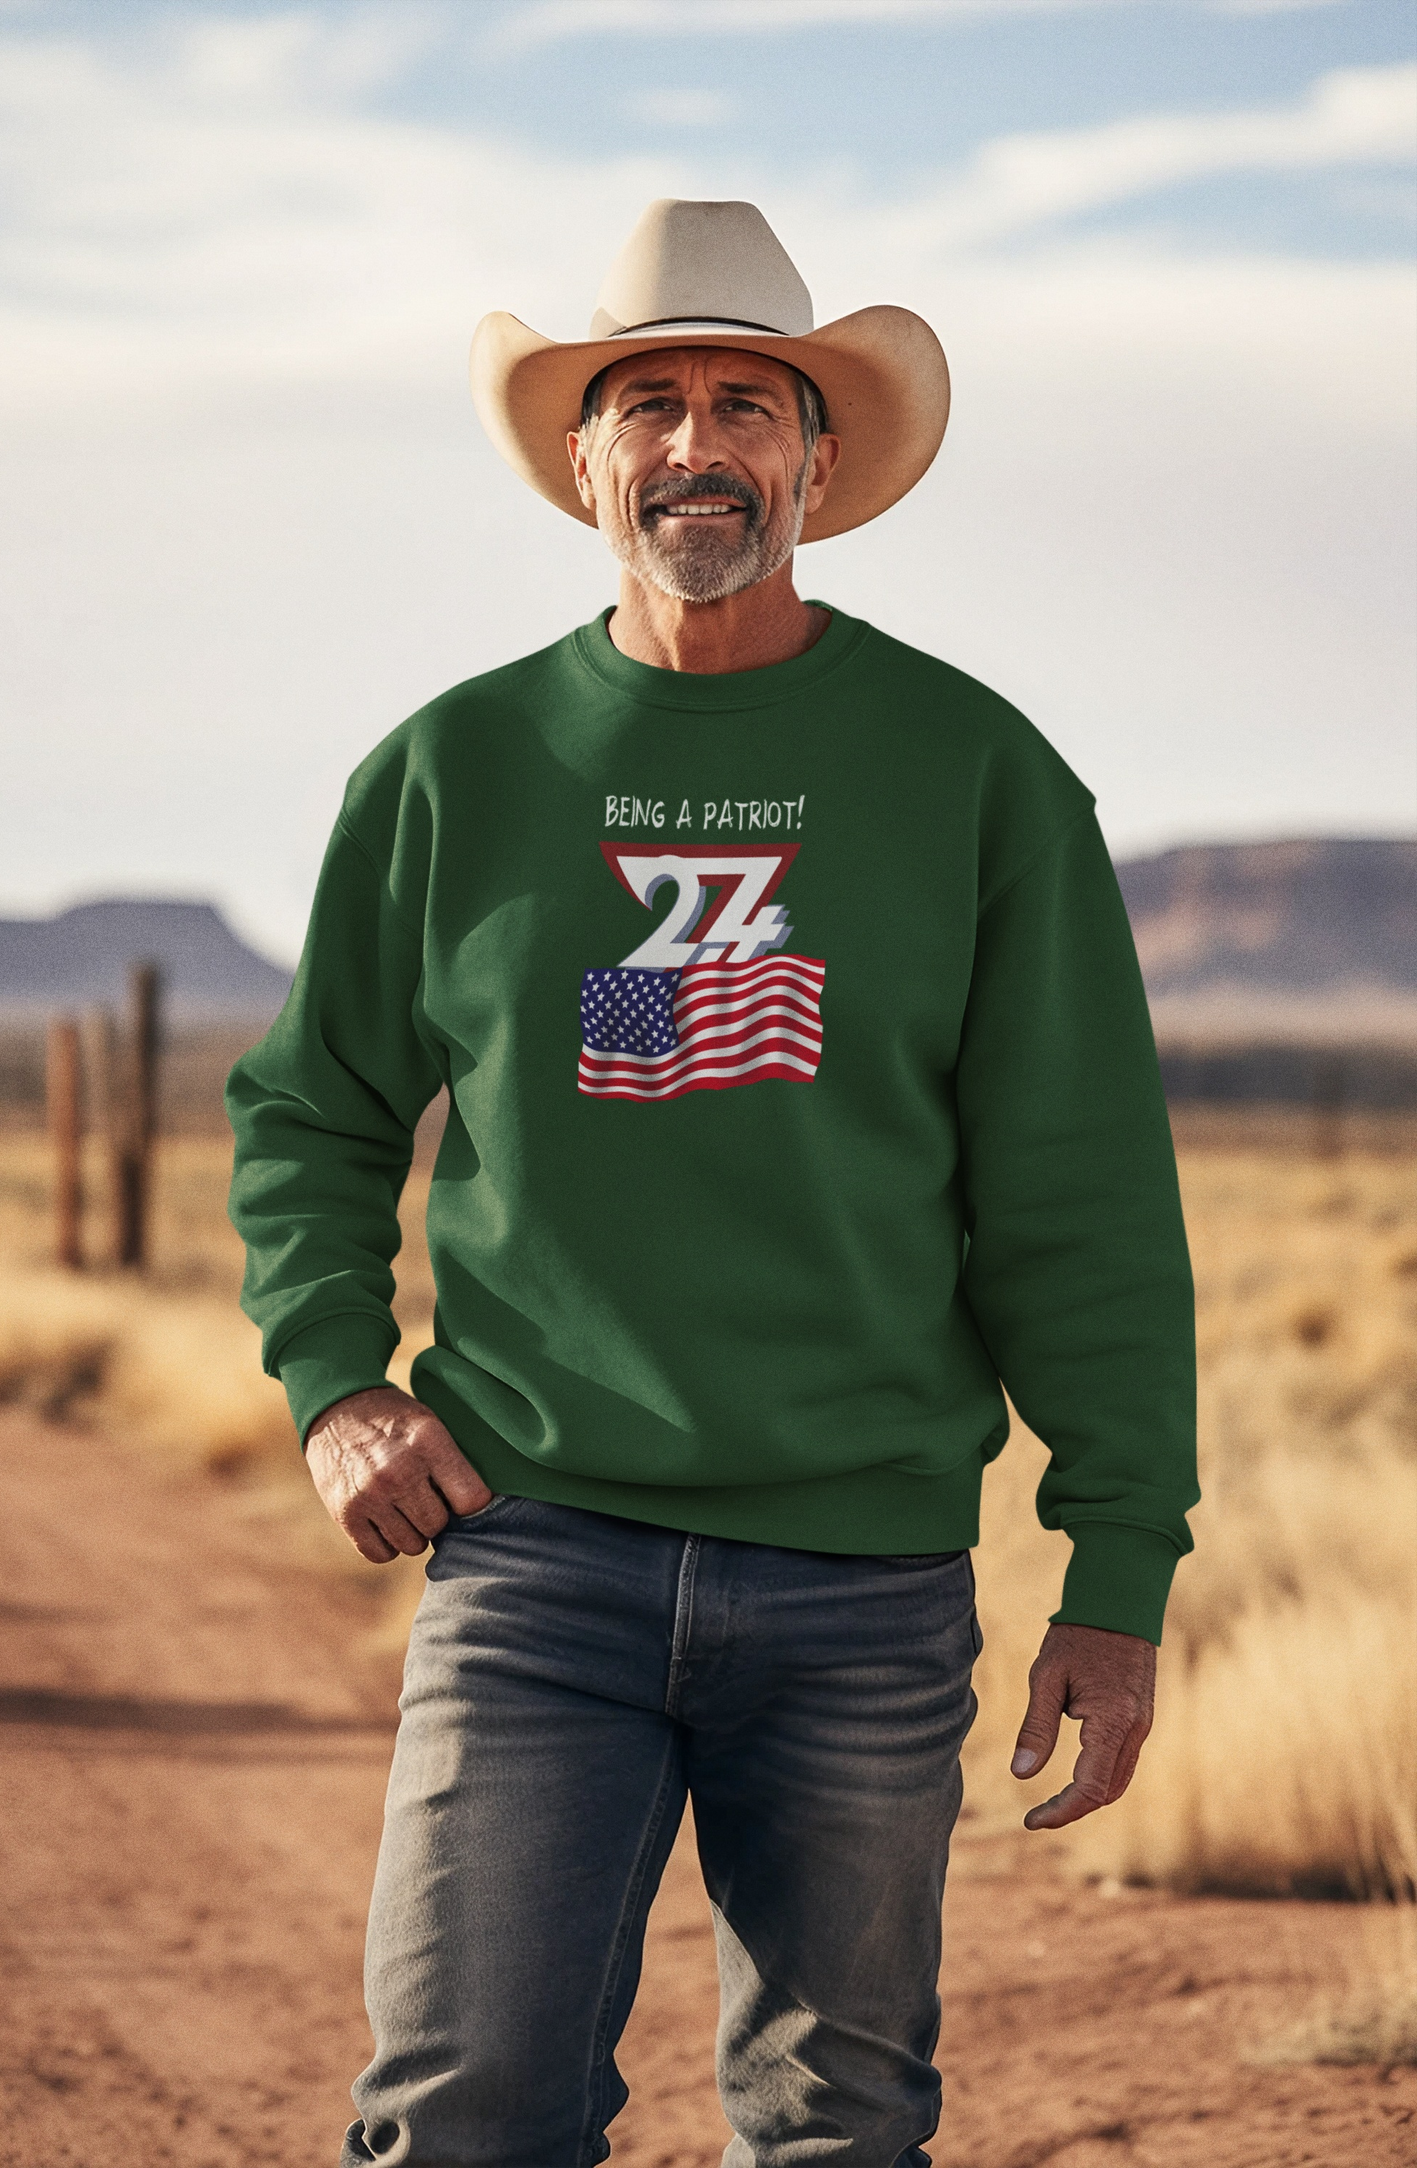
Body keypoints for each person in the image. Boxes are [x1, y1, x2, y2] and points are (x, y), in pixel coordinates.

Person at [227, 198, 1198, 2168]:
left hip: (865, 1578)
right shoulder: (450, 771)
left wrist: (1116, 1565)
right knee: (463, 2108)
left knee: (837, 2125)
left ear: (814, 457)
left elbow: (1076, 1193)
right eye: (644, 402)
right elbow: (310, 1112)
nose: (693, 445)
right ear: (580, 458)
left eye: (742, 402)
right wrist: (337, 1383)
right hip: (533, 1548)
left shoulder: (971, 773)